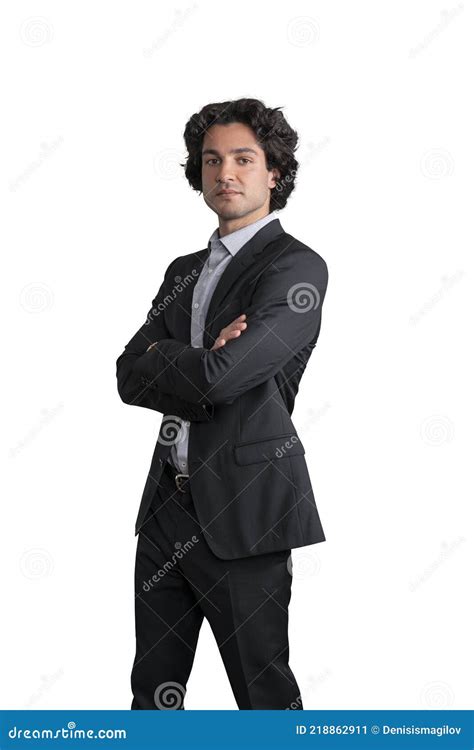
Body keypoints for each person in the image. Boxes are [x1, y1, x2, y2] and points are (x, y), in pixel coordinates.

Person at [116, 98, 329, 710]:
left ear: (274, 173)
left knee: (263, 695)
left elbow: (220, 380)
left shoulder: (295, 268)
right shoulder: (183, 269)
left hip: (246, 514)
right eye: (211, 161)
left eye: (243, 159)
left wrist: (180, 358)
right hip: (165, 511)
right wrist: (202, 353)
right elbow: (129, 375)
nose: (224, 174)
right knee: (153, 696)